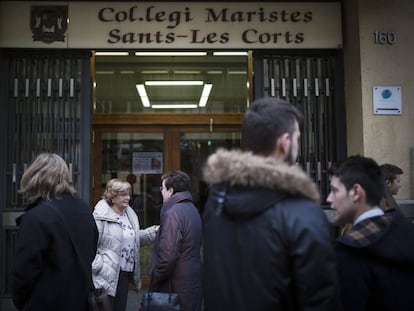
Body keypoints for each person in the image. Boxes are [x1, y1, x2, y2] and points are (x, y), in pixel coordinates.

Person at [202, 97, 339, 311]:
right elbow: (320, 301)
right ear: (284, 143)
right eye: (298, 138)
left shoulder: (217, 201)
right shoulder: (305, 214)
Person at [11, 153, 98, 310]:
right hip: (81, 301)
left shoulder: (36, 217)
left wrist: (21, 301)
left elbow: (25, 271)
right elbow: (91, 251)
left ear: (33, 176)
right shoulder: (84, 210)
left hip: (47, 303)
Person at [327, 155, 414, 311]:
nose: (329, 198)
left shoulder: (348, 253)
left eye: (334, 190)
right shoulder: (407, 231)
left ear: (356, 192)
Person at [92, 178, 158, 311]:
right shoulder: (101, 216)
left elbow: (133, 238)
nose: (128, 197)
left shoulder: (129, 213)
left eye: (128, 193)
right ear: (113, 197)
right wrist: (100, 266)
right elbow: (90, 245)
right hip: (105, 276)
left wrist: (153, 232)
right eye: (123, 194)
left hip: (124, 274)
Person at [151, 170, 202, 311]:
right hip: (190, 281)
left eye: (162, 188)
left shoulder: (173, 213)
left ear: (170, 191)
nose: (161, 192)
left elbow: (168, 255)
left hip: (175, 284)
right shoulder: (191, 208)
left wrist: (155, 276)